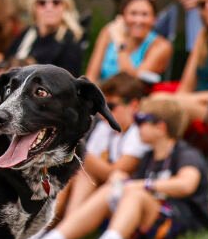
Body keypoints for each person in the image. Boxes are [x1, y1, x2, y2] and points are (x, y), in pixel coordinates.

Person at [19, 96, 208, 239]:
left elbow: (186, 184)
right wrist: (122, 181)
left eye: (141, 121)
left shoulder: (185, 153)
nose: (137, 126)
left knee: (135, 193)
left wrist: (142, 185)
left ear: (161, 127)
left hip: (181, 222)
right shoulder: (148, 157)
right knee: (114, 188)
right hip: (148, 225)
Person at [59, 71, 150, 220]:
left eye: (111, 106)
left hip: (126, 194)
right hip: (100, 187)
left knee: (80, 166)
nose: (103, 114)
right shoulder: (105, 127)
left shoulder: (139, 132)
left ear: (134, 105)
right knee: (75, 171)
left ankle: (60, 233)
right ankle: (50, 231)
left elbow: (115, 172)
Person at [84, 0, 173, 84]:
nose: (138, 21)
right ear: (123, 16)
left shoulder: (161, 46)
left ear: (154, 19)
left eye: (145, 14)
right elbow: (91, 76)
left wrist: (120, 43)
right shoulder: (108, 32)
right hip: (101, 93)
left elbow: (132, 83)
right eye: (133, 14)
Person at [6, 0, 86, 75]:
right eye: (42, 2)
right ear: (34, 7)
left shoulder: (70, 41)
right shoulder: (27, 33)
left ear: (65, 6)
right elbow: (6, 61)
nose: (49, 7)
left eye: (56, 2)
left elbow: (67, 83)